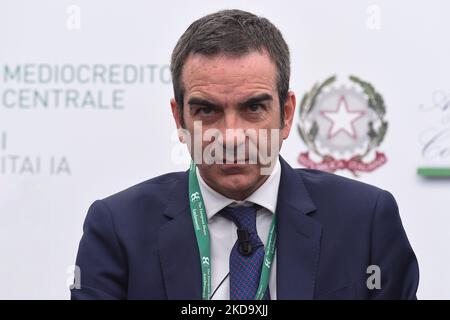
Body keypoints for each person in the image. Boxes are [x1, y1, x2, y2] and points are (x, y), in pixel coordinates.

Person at [71, 9, 419, 300]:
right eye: (206, 111)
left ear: (286, 114)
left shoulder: (366, 221)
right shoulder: (117, 229)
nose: (231, 136)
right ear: (179, 119)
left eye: (253, 108)